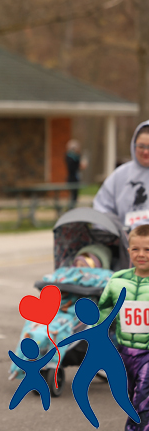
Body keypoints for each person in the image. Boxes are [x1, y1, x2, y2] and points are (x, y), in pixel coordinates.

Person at [91, 223, 149, 430]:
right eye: (136, 249)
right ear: (128, 250)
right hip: (125, 352)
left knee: (143, 399)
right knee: (132, 398)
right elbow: (104, 311)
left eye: (148, 249)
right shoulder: (117, 280)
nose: (141, 254)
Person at [58, 287, 139, 428]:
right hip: (101, 357)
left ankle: (135, 417)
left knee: (117, 391)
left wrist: (122, 296)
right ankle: (95, 419)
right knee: (80, 386)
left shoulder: (96, 327)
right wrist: (121, 296)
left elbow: (67, 340)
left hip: (103, 357)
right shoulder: (98, 326)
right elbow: (115, 310)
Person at [94, 121, 149, 228]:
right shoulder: (120, 175)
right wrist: (114, 229)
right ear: (133, 146)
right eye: (141, 146)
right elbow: (102, 207)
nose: (145, 152)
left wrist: (139, 230)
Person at [8, 339, 56, 411]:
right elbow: (48, 357)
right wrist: (54, 349)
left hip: (27, 380)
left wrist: (11, 354)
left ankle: (12, 405)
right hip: (38, 379)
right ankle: (46, 406)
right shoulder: (38, 363)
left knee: (19, 394)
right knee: (45, 392)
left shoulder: (25, 364)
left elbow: (16, 360)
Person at [66, 139, 86, 209]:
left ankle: (72, 208)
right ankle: (71, 209)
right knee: (73, 196)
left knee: (75, 196)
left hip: (75, 178)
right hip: (72, 178)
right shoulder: (70, 157)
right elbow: (73, 168)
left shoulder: (76, 157)